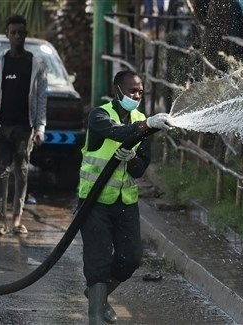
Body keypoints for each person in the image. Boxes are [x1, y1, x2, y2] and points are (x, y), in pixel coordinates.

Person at [79, 70, 174, 324]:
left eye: (141, 92)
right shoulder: (99, 115)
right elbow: (119, 133)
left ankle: (96, 295)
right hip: (94, 201)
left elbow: (142, 166)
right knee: (98, 259)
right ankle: (95, 316)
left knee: (130, 257)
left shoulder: (142, 118)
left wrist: (132, 159)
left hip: (125, 201)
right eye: (132, 91)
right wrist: (147, 126)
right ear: (117, 90)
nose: (137, 96)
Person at [0, 15, 47, 236]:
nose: (17, 36)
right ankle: (0, 220)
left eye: (20, 33)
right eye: (13, 33)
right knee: (1, 171)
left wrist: (40, 127)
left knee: (21, 172)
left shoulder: (36, 65)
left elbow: (42, 98)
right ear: (7, 34)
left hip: (24, 128)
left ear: (25, 34)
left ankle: (17, 219)